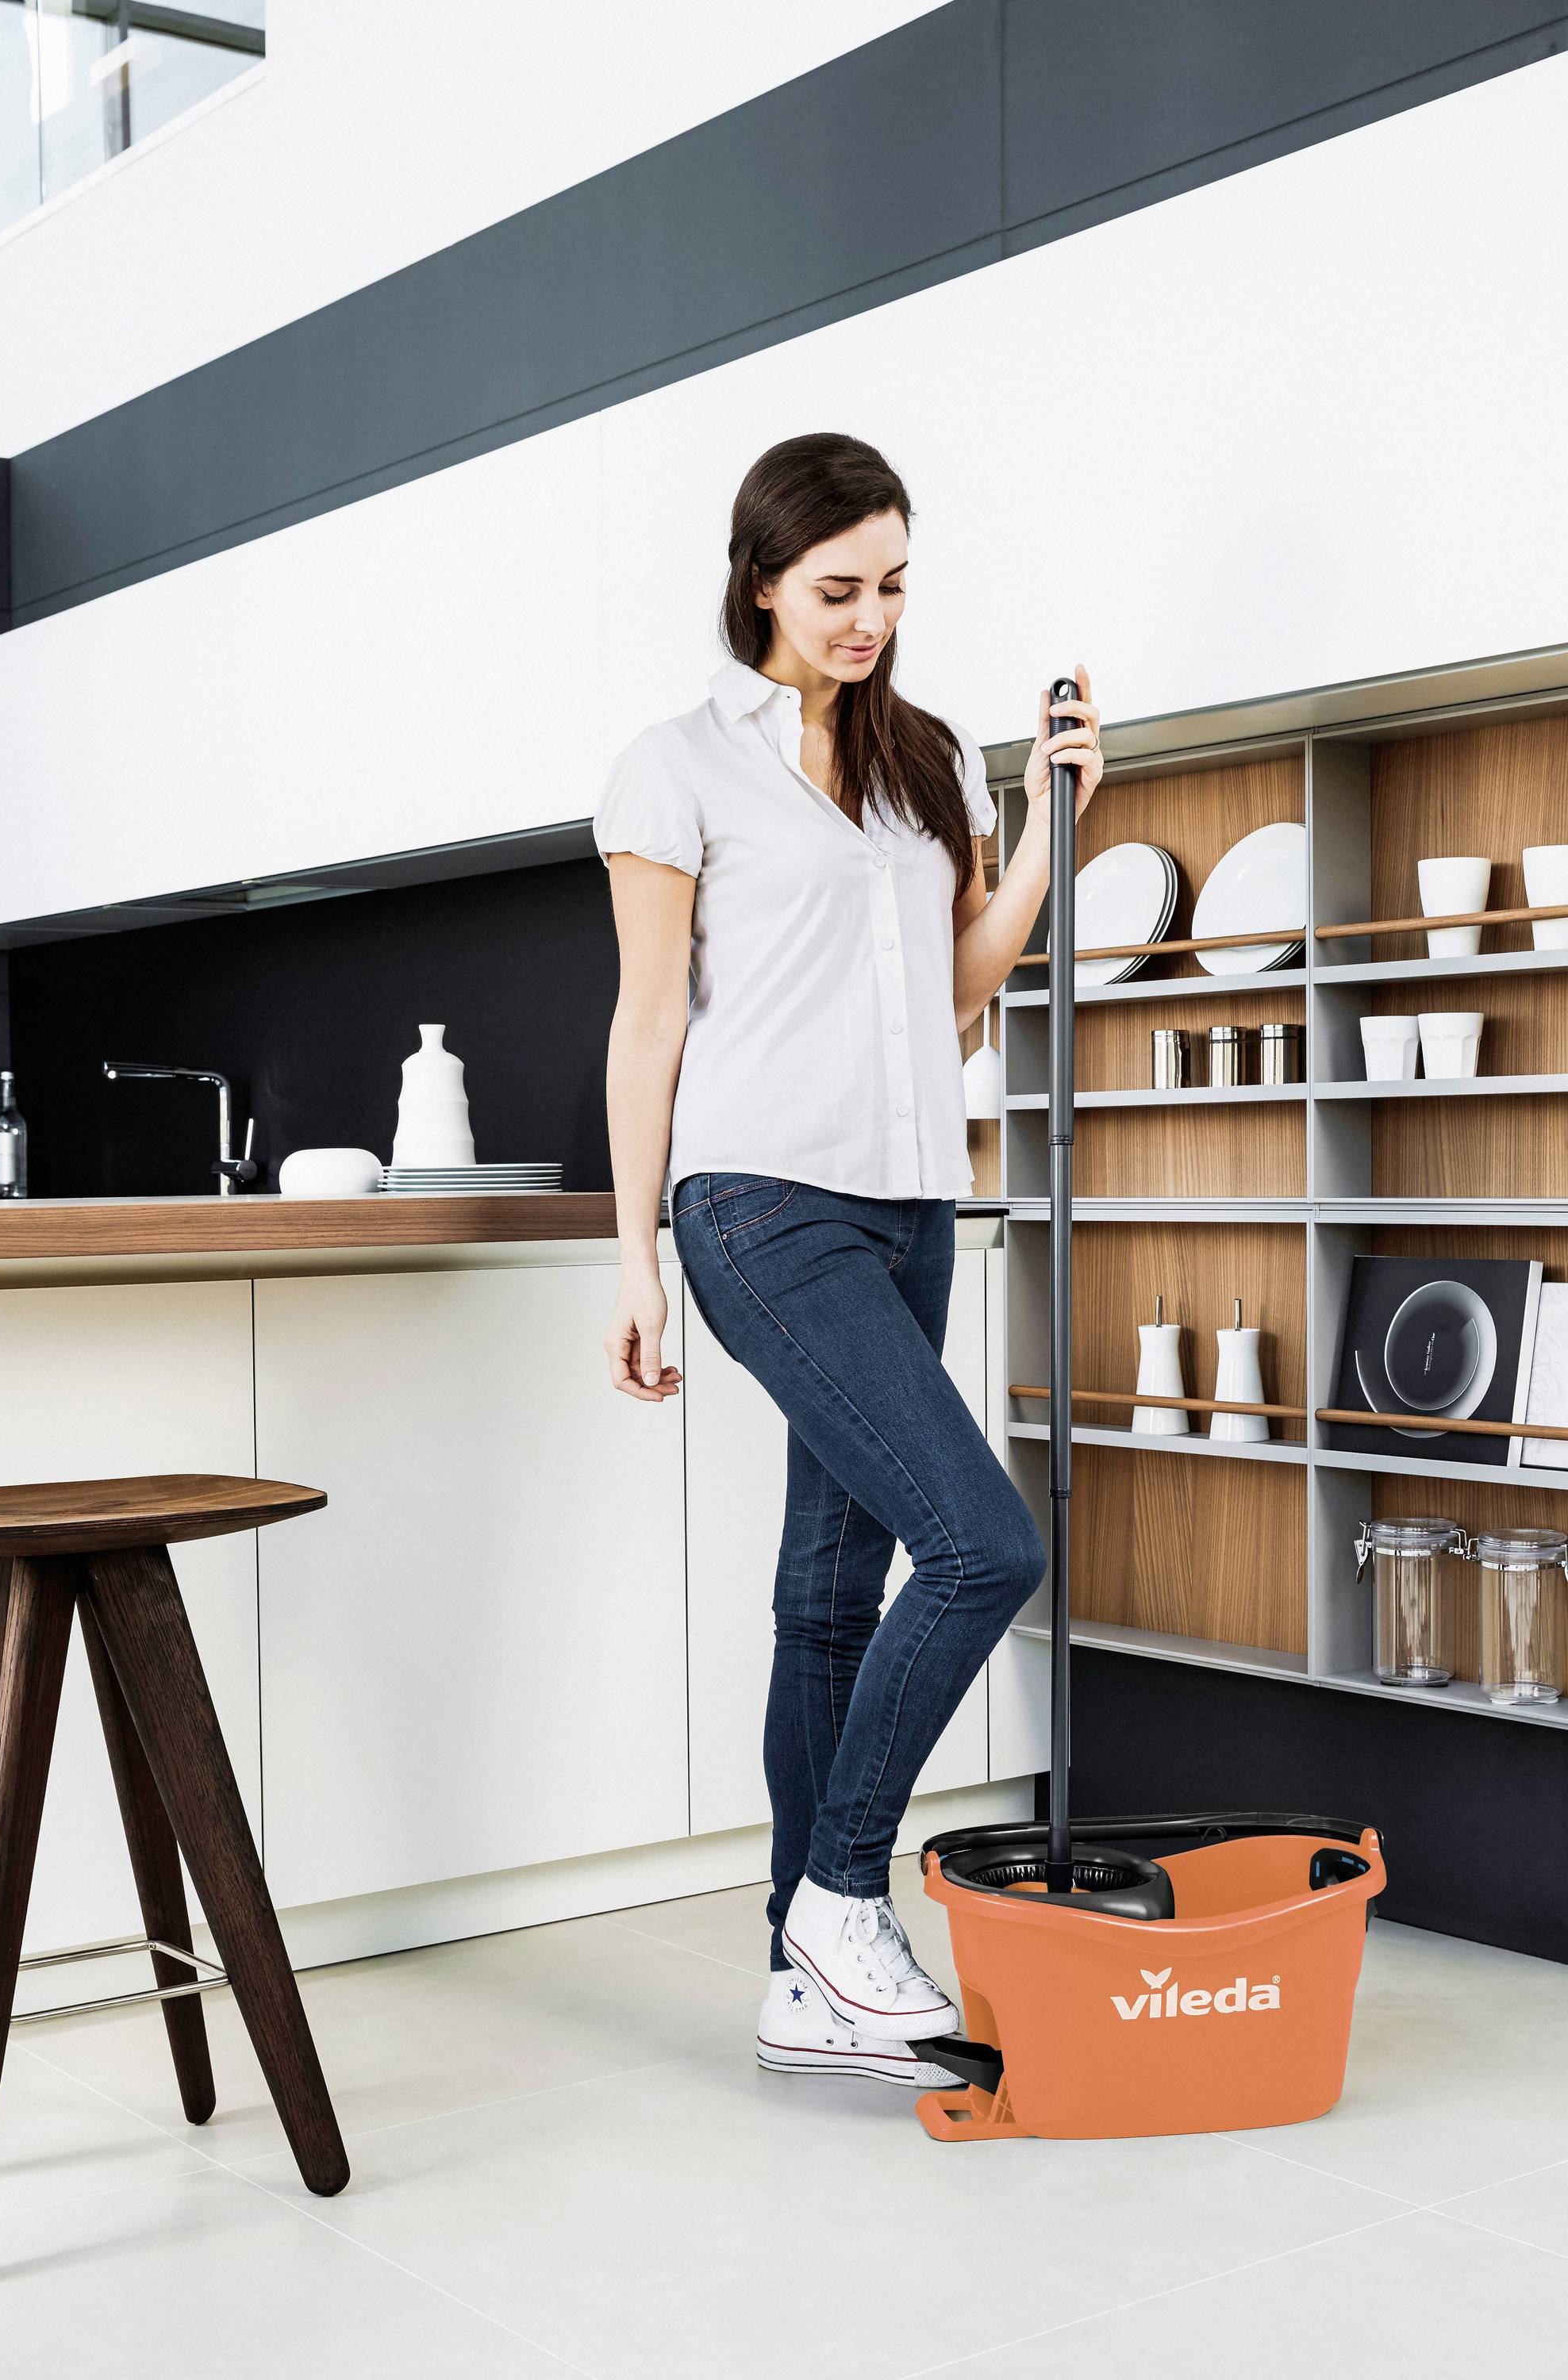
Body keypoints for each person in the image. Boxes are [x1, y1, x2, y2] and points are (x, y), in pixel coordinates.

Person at [594, 432, 1101, 2091]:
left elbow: (956, 992)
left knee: (830, 1595)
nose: (868, 617)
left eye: (891, 586)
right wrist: (633, 1257)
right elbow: (650, 1016)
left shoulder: (927, 759)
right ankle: (837, 1896)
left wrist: (1043, 824)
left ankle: (796, 1983)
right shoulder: (676, 766)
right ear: (760, 581)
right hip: (754, 1201)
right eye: (836, 589)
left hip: (905, 1200)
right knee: (979, 1543)